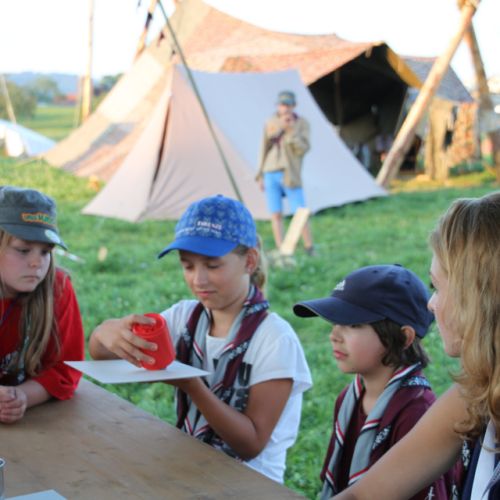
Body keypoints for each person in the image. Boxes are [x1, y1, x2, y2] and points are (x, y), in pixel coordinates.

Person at [88, 194, 312, 483]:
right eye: (188, 266)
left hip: (251, 484)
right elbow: (102, 355)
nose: (198, 280)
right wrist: (104, 333)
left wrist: (193, 386)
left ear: (249, 261)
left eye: (213, 265)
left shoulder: (275, 340)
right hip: (191, 466)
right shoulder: (184, 317)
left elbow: (251, 444)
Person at [333, 191, 500, 500]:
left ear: (478, 298)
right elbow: (365, 494)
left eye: (437, 287)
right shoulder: (477, 392)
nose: (431, 303)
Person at [293, 264, 455, 499]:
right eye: (335, 323)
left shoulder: (418, 412)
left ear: (404, 337)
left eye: (353, 325)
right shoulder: (348, 398)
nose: (334, 335)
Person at [0, 186, 85, 424]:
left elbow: (65, 369)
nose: (37, 262)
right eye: (23, 250)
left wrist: (21, 397)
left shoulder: (57, 287)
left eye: (46, 251)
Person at [255, 90, 315, 255]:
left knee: (300, 212)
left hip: (290, 172)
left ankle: (309, 246)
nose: (285, 108)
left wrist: (291, 132)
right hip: (270, 171)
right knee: (275, 213)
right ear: (278, 106)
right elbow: (264, 148)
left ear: (294, 106)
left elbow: (303, 149)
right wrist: (260, 175)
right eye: (282, 104)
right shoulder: (270, 122)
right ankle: (281, 248)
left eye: (288, 105)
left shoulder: (302, 123)